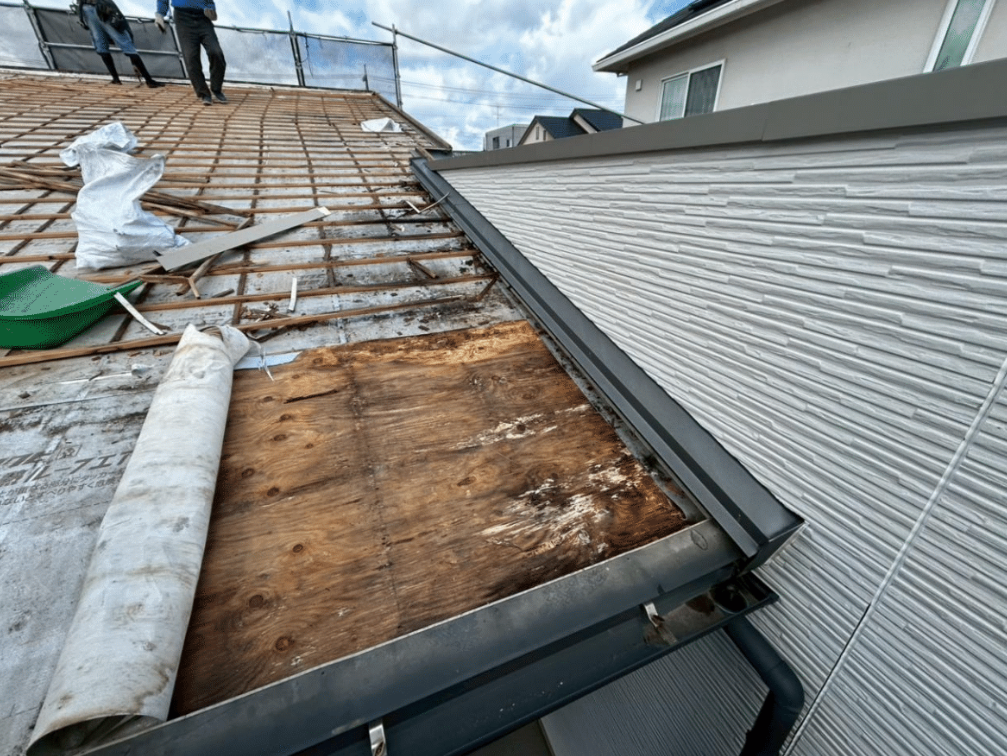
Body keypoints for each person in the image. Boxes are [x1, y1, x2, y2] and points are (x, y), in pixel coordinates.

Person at [154, 0, 227, 106]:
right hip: (182, 18)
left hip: (203, 17)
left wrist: (211, 7)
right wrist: (160, 14)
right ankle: (204, 93)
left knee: (216, 52)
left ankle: (216, 89)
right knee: (191, 58)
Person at [78, 0, 164, 88]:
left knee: (100, 41)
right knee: (123, 41)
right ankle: (148, 80)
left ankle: (116, 79)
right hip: (100, 8)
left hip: (89, 8)